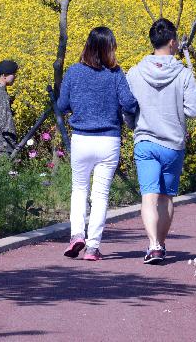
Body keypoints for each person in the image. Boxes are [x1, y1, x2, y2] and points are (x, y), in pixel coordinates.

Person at [56, 27, 138, 261]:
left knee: (79, 189)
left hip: (81, 138)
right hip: (109, 140)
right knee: (100, 195)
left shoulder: (73, 72)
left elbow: (62, 106)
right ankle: (92, 248)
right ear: (109, 48)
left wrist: (81, 106)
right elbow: (129, 104)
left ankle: (76, 236)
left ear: (88, 45)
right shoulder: (115, 74)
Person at [126, 18, 196, 264]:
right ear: (172, 42)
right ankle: (161, 245)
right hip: (172, 144)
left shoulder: (135, 72)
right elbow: (193, 110)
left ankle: (153, 245)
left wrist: (132, 125)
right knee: (167, 197)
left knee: (149, 195)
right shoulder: (183, 73)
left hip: (145, 141)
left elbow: (127, 108)